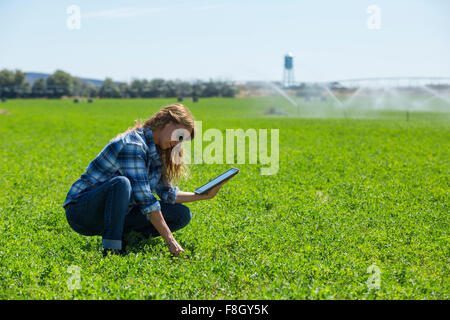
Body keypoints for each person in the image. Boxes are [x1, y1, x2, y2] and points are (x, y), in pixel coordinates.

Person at [63, 103, 226, 257]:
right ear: (168, 123)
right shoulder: (133, 145)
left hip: (116, 213)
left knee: (181, 214)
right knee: (121, 183)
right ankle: (112, 250)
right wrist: (171, 241)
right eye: (179, 135)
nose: (177, 143)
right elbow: (147, 202)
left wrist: (203, 195)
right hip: (82, 211)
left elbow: (168, 194)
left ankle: (126, 240)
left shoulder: (157, 152)